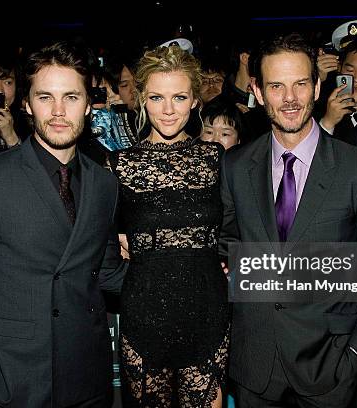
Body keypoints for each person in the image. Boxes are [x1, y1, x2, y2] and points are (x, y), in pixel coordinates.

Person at [220, 34, 357, 407]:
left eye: (300, 84)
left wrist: (356, 359)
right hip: (255, 369)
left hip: (331, 370)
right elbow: (226, 246)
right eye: (276, 86)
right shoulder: (235, 167)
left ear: (318, 86)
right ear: (257, 89)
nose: (290, 99)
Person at [0, 41, 126, 408]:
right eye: (46, 97)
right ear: (27, 104)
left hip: (88, 377)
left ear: (89, 104)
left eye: (71, 97)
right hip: (16, 381)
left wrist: (179, 265)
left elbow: (106, 273)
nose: (59, 111)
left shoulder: (104, 183)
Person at [107, 44, 229, 407]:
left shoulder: (216, 159)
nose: (168, 109)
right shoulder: (118, 165)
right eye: (157, 97)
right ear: (143, 98)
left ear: (194, 100)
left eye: (179, 97)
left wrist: (229, 258)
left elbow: (240, 226)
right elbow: (93, 239)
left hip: (207, 308)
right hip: (144, 311)